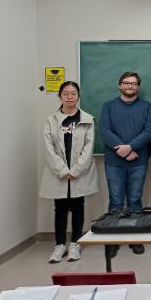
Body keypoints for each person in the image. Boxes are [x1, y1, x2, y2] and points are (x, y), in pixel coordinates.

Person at [40, 81, 99, 263]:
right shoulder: (51, 120)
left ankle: (75, 244)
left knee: (78, 207)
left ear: (78, 96)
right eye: (66, 94)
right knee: (60, 209)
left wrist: (75, 170)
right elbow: (48, 147)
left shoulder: (87, 119)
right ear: (60, 96)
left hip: (78, 173)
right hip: (58, 172)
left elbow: (89, 147)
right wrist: (62, 170)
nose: (70, 97)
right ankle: (59, 245)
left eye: (73, 94)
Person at [99, 71, 151, 256]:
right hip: (114, 162)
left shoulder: (147, 107)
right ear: (119, 85)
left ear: (138, 86)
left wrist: (130, 147)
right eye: (126, 83)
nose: (130, 86)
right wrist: (122, 150)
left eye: (133, 83)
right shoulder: (108, 106)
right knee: (115, 202)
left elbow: (148, 131)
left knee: (135, 201)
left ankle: (135, 238)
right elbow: (105, 131)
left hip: (138, 161)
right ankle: (113, 240)